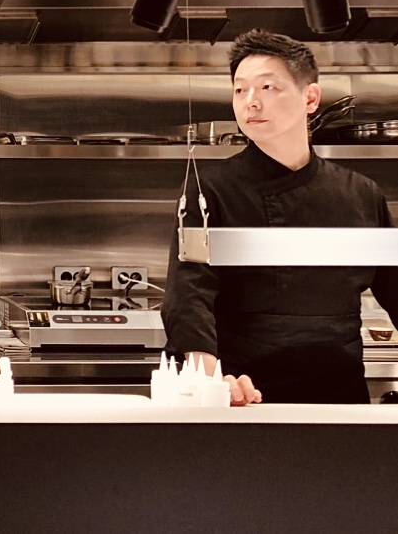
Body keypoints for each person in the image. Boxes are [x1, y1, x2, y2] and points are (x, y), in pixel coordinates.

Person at [162, 28, 398, 405]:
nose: (250, 103)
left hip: (340, 401)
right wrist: (210, 381)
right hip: (244, 396)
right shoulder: (209, 189)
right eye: (240, 90)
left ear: (311, 98)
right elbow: (188, 297)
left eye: (267, 87)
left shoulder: (361, 193)